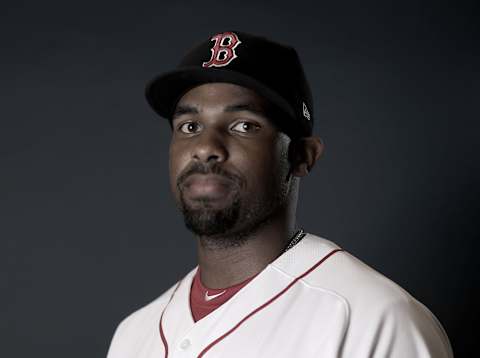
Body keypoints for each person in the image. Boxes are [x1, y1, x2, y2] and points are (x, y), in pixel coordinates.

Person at [106, 31, 453, 358]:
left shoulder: (375, 320)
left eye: (244, 125)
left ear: (302, 156)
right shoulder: (133, 335)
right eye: (190, 127)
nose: (205, 148)